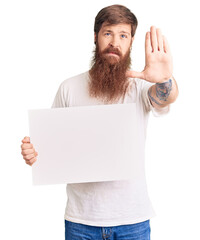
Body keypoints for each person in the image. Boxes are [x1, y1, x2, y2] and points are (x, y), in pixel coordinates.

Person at [21, 4, 178, 240]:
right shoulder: (69, 87)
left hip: (132, 220)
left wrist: (165, 80)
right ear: (95, 37)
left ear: (131, 42)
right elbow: (51, 148)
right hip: (81, 221)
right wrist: (34, 153)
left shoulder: (140, 87)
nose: (115, 42)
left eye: (123, 35)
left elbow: (165, 98)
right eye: (108, 33)